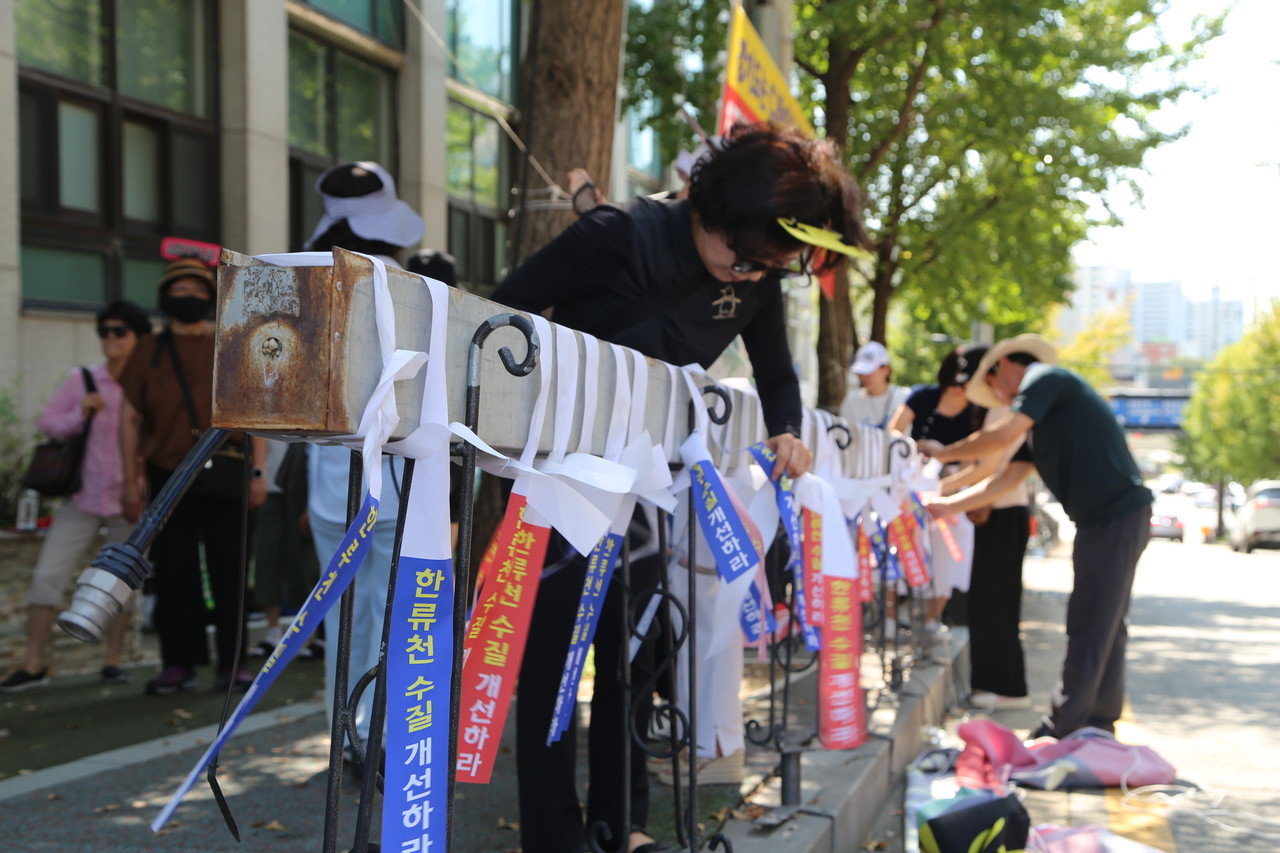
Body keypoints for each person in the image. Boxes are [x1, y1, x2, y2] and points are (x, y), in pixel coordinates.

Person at [491, 122, 866, 853]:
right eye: (745, 257)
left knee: (634, 656)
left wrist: (788, 427)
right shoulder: (614, 237)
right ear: (704, 206)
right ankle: (554, 835)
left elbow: (776, 371)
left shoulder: (756, 276)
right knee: (554, 666)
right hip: (562, 482)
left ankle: (624, 825)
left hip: (649, 484)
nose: (750, 275)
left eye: (771, 267)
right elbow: (504, 314)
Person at [917, 334, 1153, 739]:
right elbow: (1004, 478)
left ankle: (1063, 726)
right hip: (1107, 520)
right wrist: (945, 506)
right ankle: (1098, 720)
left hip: (1114, 518)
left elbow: (1000, 436)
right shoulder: (1042, 414)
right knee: (1106, 624)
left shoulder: (1045, 380)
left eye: (991, 387)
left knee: (1091, 622)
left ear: (1004, 367)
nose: (998, 398)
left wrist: (942, 453)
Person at [303, 160, 423, 780]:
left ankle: (347, 737)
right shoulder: (402, 283)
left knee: (341, 614)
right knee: (381, 614)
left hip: (331, 475)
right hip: (387, 478)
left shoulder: (303, 276)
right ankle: (370, 737)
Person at [119, 258, 267, 695]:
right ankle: (177, 663)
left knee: (231, 571)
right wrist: (130, 482)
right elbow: (129, 420)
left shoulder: (232, 343)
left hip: (230, 468)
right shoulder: (148, 351)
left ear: (212, 297)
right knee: (174, 572)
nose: (190, 299)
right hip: (169, 474)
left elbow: (256, 414)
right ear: (166, 298)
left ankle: (233, 664)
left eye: (199, 291)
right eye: (180, 291)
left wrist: (258, 472)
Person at [0, 301, 152, 692]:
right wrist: (79, 413)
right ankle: (33, 664)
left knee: (123, 584)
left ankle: (114, 660)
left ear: (138, 336)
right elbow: (47, 424)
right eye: (104, 331)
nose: (111, 339)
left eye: (120, 331)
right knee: (48, 576)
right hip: (81, 499)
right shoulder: (82, 379)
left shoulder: (148, 384)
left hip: (130, 502)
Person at [887, 345, 986, 636]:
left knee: (950, 550)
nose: (960, 387)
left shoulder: (977, 411)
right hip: (913, 481)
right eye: (956, 377)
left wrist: (945, 468)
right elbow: (893, 430)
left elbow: (974, 460)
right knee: (902, 542)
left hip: (951, 487)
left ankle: (933, 618)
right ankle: (892, 614)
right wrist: (915, 449)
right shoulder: (922, 396)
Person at [248, 440, 322, 661]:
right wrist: (257, 475)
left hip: (304, 487)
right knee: (267, 559)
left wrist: (314, 502)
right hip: (270, 485)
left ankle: (314, 636)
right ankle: (273, 634)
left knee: (305, 564)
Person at [840, 341, 909, 430]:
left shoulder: (905, 398)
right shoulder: (850, 401)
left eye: (869, 371)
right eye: (861, 372)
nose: (864, 376)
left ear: (886, 370)